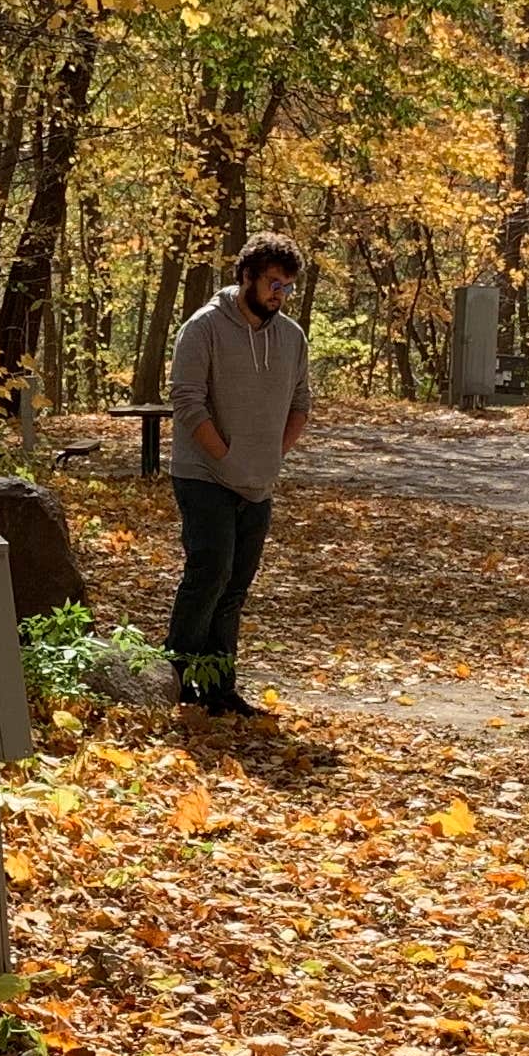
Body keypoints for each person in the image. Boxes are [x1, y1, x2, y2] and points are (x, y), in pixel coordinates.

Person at [165, 234, 312, 714]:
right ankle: (181, 681)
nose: (280, 295)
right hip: (203, 475)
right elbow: (187, 401)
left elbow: (300, 405)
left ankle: (221, 688)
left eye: (287, 287)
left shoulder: (291, 337)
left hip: (257, 482)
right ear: (247, 276)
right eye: (273, 283)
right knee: (210, 572)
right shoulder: (203, 327)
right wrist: (224, 455)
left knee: (235, 587)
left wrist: (271, 456)